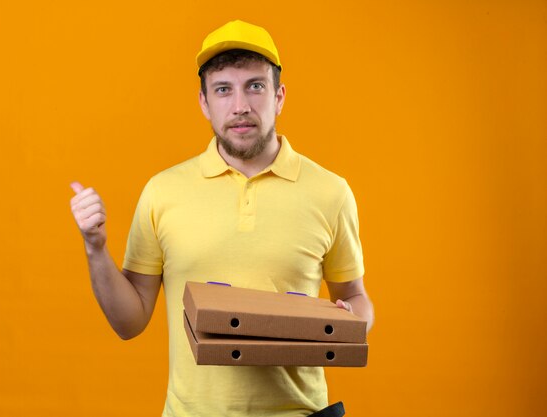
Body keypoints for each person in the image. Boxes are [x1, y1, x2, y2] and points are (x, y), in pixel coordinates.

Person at [70, 20, 374, 417]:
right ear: (204, 102)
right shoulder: (164, 191)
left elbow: (355, 296)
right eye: (223, 89)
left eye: (255, 86)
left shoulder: (331, 192)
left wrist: (352, 324)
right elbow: (129, 322)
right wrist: (95, 249)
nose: (240, 106)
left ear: (279, 96)